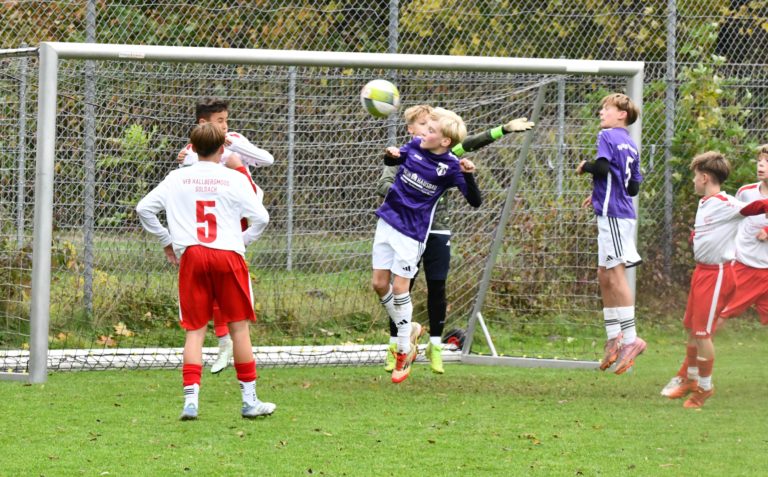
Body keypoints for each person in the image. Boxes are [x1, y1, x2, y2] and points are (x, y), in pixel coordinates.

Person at [377, 105, 534, 374]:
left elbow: (470, 144)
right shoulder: (408, 150)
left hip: (433, 230)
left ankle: (430, 347)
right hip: (400, 225)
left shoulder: (448, 159)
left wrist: (503, 130)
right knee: (393, 287)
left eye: (431, 125)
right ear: (412, 130)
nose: (427, 128)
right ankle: (400, 342)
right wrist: (406, 193)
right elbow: (385, 181)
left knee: (434, 287)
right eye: (423, 125)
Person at [137, 123, 275, 420]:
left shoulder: (177, 178)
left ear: (192, 147)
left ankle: (190, 402)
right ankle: (250, 401)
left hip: (193, 256)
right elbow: (261, 218)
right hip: (228, 257)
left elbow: (143, 209)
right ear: (223, 148)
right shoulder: (233, 179)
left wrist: (167, 241)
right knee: (239, 329)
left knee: (195, 331)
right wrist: (241, 241)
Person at [372, 107, 483, 383]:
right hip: (387, 221)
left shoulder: (450, 168)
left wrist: (468, 174)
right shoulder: (414, 146)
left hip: (412, 232)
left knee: (400, 288)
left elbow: (475, 201)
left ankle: (402, 350)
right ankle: (408, 328)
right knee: (378, 284)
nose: (424, 133)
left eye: (430, 130)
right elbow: (394, 160)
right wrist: (391, 155)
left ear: (445, 141)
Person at [659, 151, 768, 408]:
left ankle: (704, 389)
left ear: (705, 177)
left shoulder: (725, 202)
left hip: (718, 274)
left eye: (696, 177)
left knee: (703, 332)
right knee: (693, 328)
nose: (694, 181)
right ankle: (691, 378)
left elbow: (754, 207)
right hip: (702, 272)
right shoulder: (706, 202)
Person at [178, 97, 274, 374]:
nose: (225, 125)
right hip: (214, 223)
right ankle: (225, 345)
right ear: (203, 123)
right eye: (219, 121)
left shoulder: (233, 140)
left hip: (242, 216)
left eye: (226, 119)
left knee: (230, 286)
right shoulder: (192, 153)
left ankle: (232, 341)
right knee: (216, 285)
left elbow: (267, 159)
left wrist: (233, 147)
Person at [576, 93, 645, 375]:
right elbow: (632, 188)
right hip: (616, 212)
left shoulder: (607, 136)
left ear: (622, 115)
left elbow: (603, 167)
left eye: (607, 108)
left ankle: (631, 340)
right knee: (604, 274)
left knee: (615, 274)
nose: (602, 112)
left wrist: (586, 167)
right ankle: (614, 335)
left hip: (615, 216)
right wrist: (598, 194)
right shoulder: (630, 143)